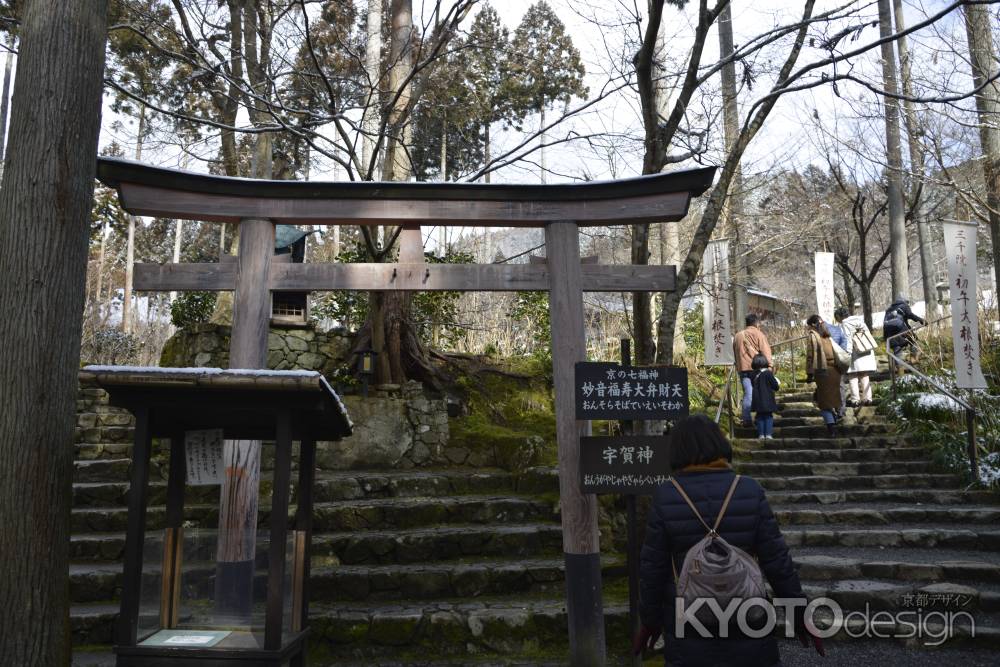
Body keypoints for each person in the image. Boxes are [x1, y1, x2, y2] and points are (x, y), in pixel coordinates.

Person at [632, 415, 823, 666]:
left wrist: (650, 621)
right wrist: (799, 614)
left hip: (689, 621)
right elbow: (777, 561)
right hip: (747, 616)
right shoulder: (749, 489)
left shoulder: (667, 495)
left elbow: (653, 568)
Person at [806, 314, 844, 436]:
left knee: (823, 402)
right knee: (833, 398)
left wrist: (809, 373)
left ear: (812, 325)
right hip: (835, 371)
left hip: (823, 371)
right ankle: (836, 417)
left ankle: (831, 428)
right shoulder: (828, 334)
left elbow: (810, 355)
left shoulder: (813, 335)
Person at [733, 313, 772, 428]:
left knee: (748, 393)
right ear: (756, 323)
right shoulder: (759, 334)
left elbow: (735, 352)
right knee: (760, 393)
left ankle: (746, 419)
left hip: (743, 370)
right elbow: (766, 352)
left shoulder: (738, 336)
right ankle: (760, 418)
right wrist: (769, 367)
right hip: (758, 370)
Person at [835, 306, 877, 406]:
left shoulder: (845, 323)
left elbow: (848, 339)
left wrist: (846, 354)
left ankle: (855, 400)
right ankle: (868, 399)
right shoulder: (859, 320)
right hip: (865, 350)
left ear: (840, 316)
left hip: (855, 353)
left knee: (852, 375)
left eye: (837, 318)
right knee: (864, 375)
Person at [883, 295, 926, 359]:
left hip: (891, 335)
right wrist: (921, 320)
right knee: (914, 342)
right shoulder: (904, 306)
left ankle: (899, 367)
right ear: (905, 301)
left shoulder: (889, 310)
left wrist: (885, 337)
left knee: (897, 351)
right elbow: (910, 315)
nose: (908, 304)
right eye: (907, 302)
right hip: (903, 332)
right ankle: (914, 360)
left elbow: (885, 324)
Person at [751, 353, 779, 439]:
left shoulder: (753, 374)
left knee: (759, 417)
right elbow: (775, 386)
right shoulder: (768, 373)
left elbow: (753, 385)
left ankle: (761, 434)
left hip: (757, 400)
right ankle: (768, 434)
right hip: (768, 400)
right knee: (768, 416)